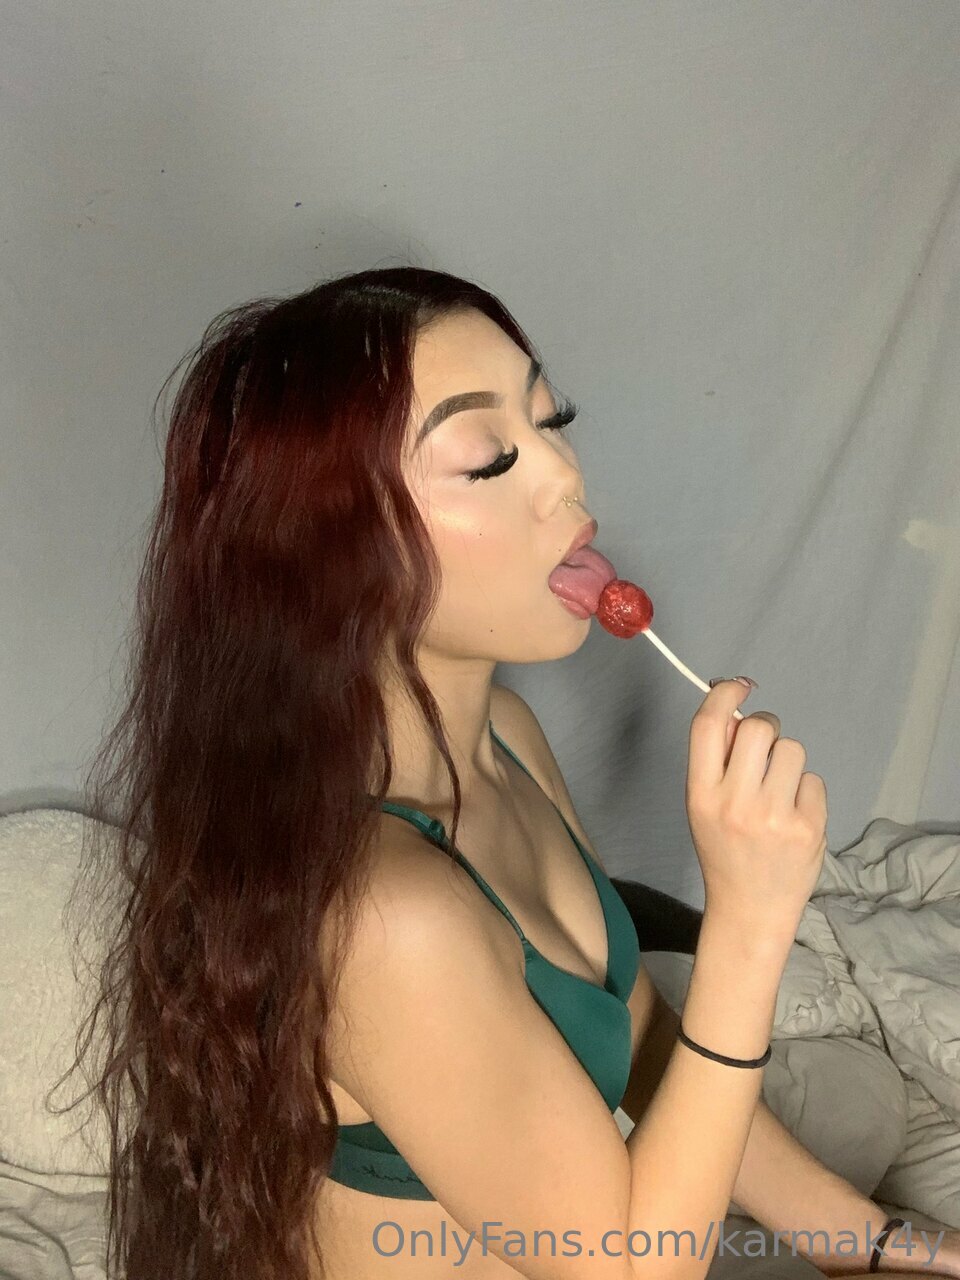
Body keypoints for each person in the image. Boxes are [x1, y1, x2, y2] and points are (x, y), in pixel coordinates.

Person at [65, 266, 959, 1280]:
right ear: (330, 551)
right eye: (488, 459)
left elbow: (639, 1034)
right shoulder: (388, 911)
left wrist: (875, 1243)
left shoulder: (508, 738)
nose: (565, 476)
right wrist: (750, 926)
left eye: (552, 419)